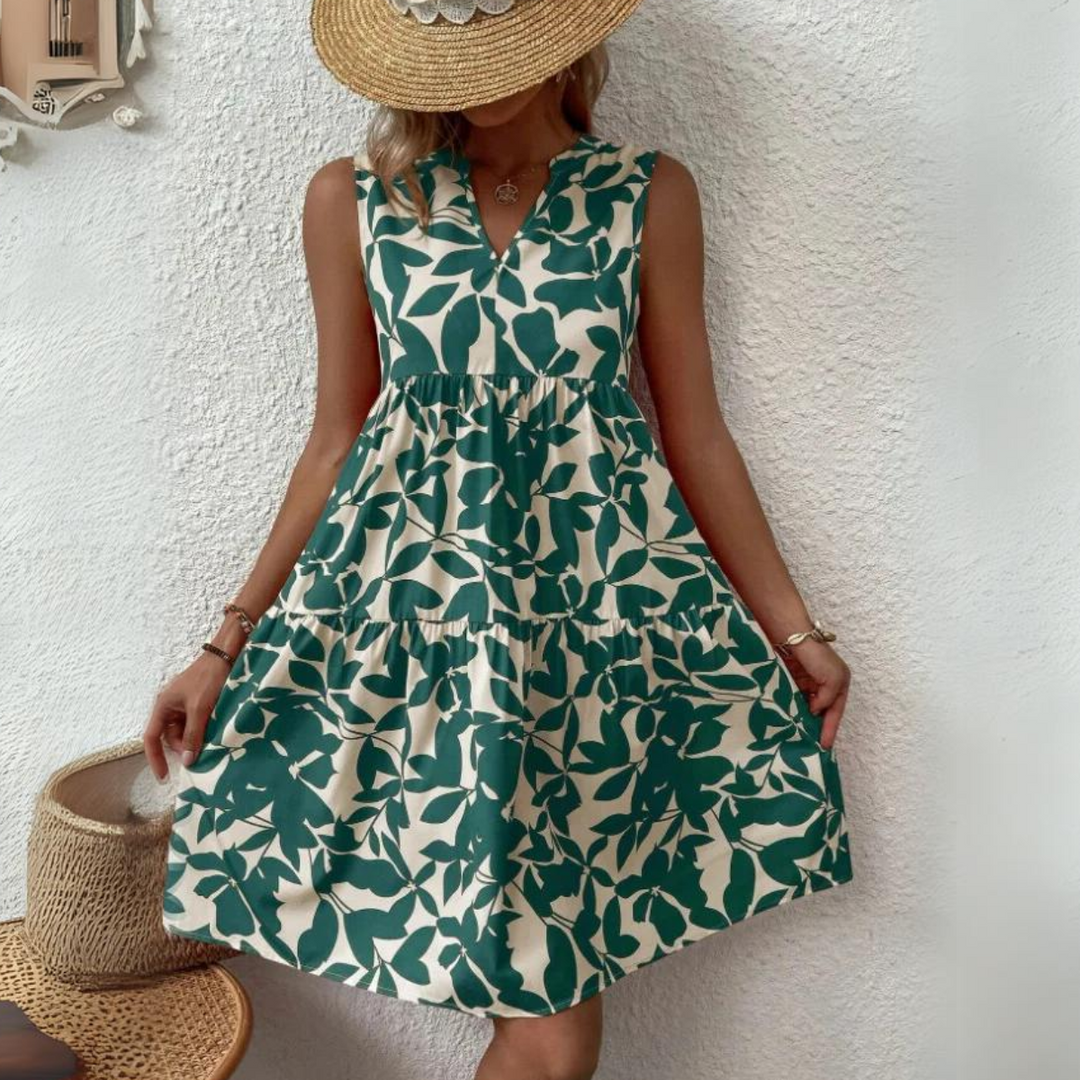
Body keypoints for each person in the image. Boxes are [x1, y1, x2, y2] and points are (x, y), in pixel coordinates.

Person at [145, 1, 855, 1076]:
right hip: (416, 634)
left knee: (549, 1015)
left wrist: (796, 632)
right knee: (548, 1021)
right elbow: (335, 440)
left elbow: (696, 434)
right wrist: (228, 639)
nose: (479, 81)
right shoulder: (355, 201)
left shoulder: (646, 196)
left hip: (593, 638)